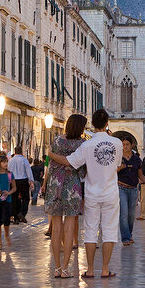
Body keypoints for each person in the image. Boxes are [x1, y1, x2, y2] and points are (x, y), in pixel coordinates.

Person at [51, 108, 122, 278]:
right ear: (107, 124)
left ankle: (90, 270)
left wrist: (51, 154)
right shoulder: (117, 143)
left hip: (92, 192)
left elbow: (69, 161)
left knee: (90, 231)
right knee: (109, 231)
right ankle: (105, 269)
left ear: (92, 124)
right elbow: (117, 165)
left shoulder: (87, 145)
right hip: (111, 192)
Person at [43, 115, 86, 278]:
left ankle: (57, 267)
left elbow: (50, 162)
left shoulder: (57, 141)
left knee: (56, 229)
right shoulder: (82, 144)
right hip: (72, 187)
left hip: (55, 186)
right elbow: (82, 169)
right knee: (69, 228)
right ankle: (66, 269)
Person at [117, 135, 142, 245]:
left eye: (127, 144)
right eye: (123, 144)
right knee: (124, 213)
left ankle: (129, 234)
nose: (125, 146)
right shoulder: (118, 157)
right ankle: (125, 238)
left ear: (131, 145)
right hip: (121, 188)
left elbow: (140, 174)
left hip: (133, 189)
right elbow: (112, 172)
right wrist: (119, 168)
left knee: (131, 215)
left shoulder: (136, 159)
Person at [8, 145, 33, 224]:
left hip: (13, 181)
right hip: (23, 181)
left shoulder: (10, 161)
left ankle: (15, 218)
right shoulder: (24, 160)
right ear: (21, 152)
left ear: (14, 152)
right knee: (25, 198)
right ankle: (21, 213)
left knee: (15, 199)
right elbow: (28, 171)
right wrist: (31, 181)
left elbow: (8, 171)